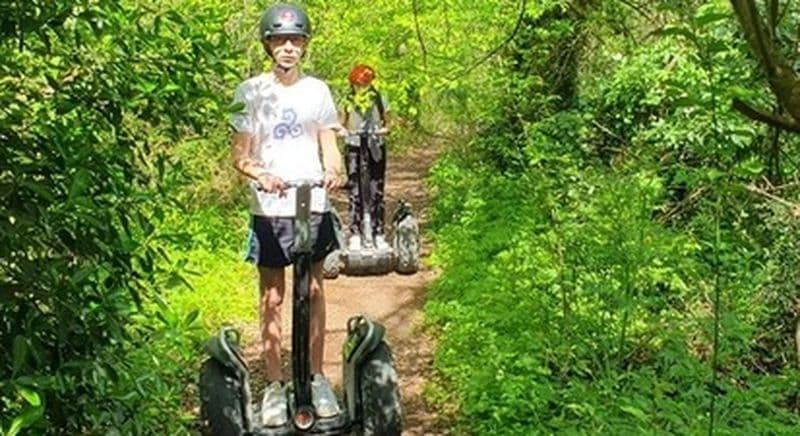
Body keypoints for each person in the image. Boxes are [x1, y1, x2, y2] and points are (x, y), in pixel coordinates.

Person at [229, 3, 344, 427]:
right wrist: (261, 173)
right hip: (271, 205)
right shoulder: (250, 91)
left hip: (312, 201)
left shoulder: (319, 91)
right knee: (273, 296)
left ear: (305, 45)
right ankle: (275, 386)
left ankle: (315, 378)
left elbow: (329, 144)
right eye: (281, 40)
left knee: (312, 290)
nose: (289, 47)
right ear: (268, 45)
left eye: (296, 40)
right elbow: (240, 154)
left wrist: (334, 170)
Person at [338, 64, 391, 251]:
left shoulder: (379, 98)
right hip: (354, 146)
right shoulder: (348, 100)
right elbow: (341, 123)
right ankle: (355, 233)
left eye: (364, 85)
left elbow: (389, 123)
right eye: (357, 85)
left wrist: (381, 131)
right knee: (355, 189)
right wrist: (343, 132)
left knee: (376, 188)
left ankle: (378, 232)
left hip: (375, 146)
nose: (360, 88)